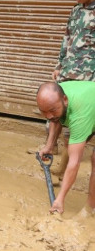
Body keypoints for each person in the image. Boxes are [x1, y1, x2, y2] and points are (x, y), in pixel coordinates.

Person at [45, 0, 95, 181]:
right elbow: (66, 40)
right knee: (58, 116)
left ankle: (63, 170)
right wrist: (59, 65)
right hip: (68, 73)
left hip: (88, 78)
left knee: (75, 126)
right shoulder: (75, 11)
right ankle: (58, 162)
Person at [36, 81, 95, 214]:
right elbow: (55, 120)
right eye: (43, 111)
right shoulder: (57, 94)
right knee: (70, 140)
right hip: (90, 107)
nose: (48, 116)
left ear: (65, 100)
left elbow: (75, 163)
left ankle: (90, 210)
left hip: (88, 109)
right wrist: (49, 146)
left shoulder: (79, 115)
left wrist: (60, 199)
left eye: (52, 110)